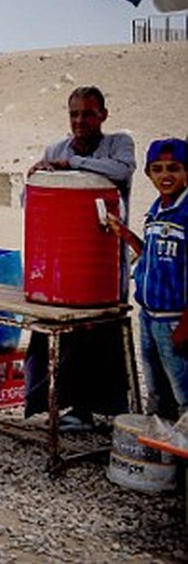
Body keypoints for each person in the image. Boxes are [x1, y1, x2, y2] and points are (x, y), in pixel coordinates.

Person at [24, 85, 136, 429]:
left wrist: (71, 164)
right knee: (58, 336)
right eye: (74, 114)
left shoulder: (119, 144)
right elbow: (34, 201)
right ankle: (66, 407)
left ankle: (101, 410)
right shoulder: (55, 148)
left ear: (103, 114)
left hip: (102, 264)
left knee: (98, 337)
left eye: (88, 113)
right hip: (61, 267)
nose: (80, 121)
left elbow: (121, 172)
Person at [107, 138, 188, 420]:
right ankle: (163, 453)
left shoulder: (185, 213)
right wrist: (127, 235)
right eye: (158, 169)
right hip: (149, 316)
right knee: (155, 387)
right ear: (148, 173)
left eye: (174, 168)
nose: (165, 175)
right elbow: (152, 254)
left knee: (183, 391)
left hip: (175, 318)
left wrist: (184, 326)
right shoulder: (156, 209)